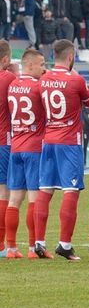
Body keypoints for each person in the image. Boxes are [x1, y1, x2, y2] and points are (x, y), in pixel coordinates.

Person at [34, 40, 89, 260]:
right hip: (69, 141)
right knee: (71, 190)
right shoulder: (76, 80)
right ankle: (65, 244)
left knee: (45, 189)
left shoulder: (44, 79)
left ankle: (39, 242)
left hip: (48, 139)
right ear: (71, 57)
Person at [4, 50, 46, 258]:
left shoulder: (13, 85)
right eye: (41, 64)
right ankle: (32, 248)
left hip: (16, 146)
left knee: (14, 200)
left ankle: (11, 248)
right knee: (34, 199)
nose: (44, 69)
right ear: (29, 65)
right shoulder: (38, 87)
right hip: (34, 147)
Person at [0, 41, 16, 257]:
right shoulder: (9, 78)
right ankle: (1, 245)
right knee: (4, 191)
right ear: (5, 59)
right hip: (3, 140)